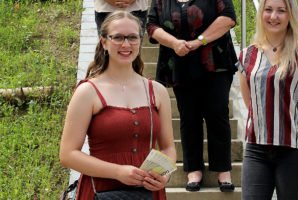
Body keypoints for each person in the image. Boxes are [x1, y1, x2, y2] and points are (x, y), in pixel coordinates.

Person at [59, 11, 176, 199]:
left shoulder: (157, 91)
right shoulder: (87, 92)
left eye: (132, 37)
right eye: (118, 37)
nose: (126, 44)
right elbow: (67, 154)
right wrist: (117, 172)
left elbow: (168, 147)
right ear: (104, 42)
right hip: (101, 191)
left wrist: (165, 174)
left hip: (148, 193)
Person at [146, 0, 238, 192]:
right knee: (188, 116)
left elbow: (228, 18)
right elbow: (151, 26)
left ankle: (223, 169)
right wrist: (174, 43)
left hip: (215, 62)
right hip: (180, 62)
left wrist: (199, 41)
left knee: (218, 113)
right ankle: (193, 169)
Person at [238, 0, 298, 199]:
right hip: (256, 148)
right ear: (261, 14)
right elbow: (251, 103)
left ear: (290, 15)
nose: (273, 16)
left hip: (294, 149)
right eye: (268, 10)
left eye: (281, 11)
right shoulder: (247, 56)